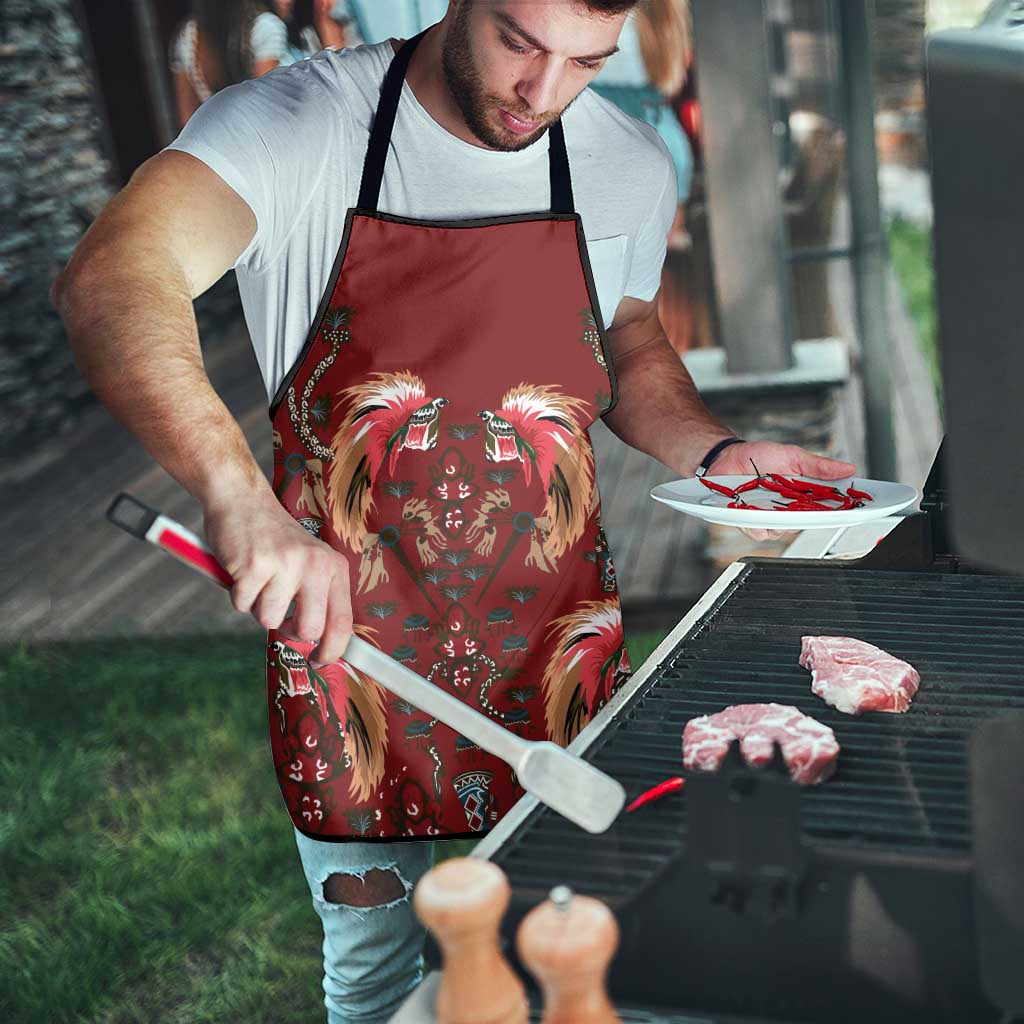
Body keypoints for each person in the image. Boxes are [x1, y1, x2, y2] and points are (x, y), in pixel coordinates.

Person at [52, 2, 856, 1020]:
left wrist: (717, 448)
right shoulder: (297, 125)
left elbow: (629, 336)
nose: (543, 93)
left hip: (558, 643)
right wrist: (237, 498)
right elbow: (113, 275)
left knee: (585, 948)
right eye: (521, 42)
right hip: (353, 661)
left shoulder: (625, 160)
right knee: (381, 978)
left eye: (585, 62)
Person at [169, 0, 289, 126]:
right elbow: (266, 107)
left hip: (215, 139)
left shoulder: (188, 37)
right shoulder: (266, 27)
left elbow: (187, 120)